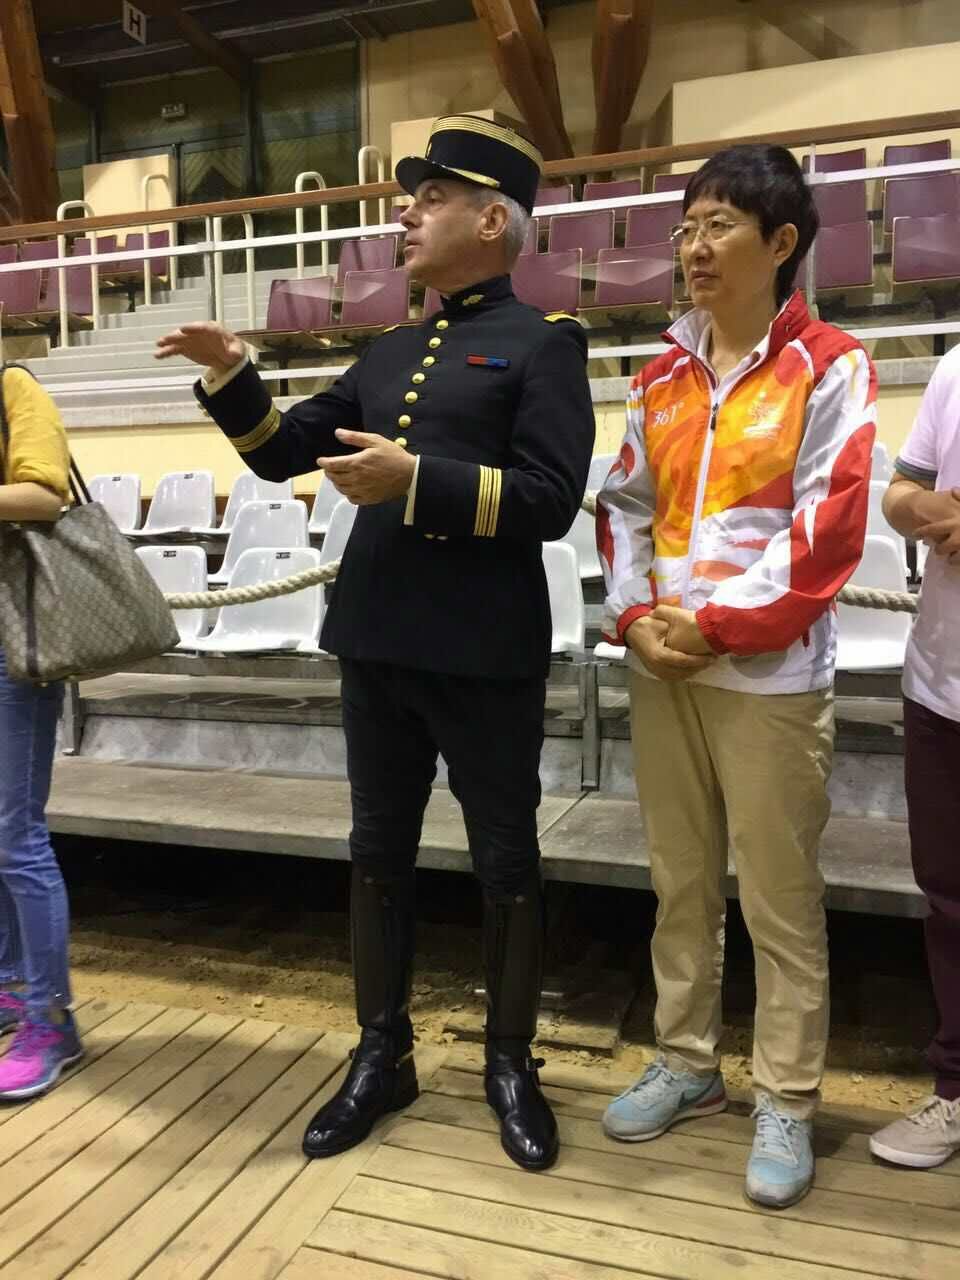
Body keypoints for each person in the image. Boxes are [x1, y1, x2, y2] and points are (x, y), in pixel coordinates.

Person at [156, 116, 595, 1172]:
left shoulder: (545, 343)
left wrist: (418, 481)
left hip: (484, 649)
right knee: (377, 854)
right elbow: (281, 455)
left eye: (430, 197)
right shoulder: (390, 350)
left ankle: (509, 1062)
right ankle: (380, 1053)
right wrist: (233, 374)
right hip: (379, 636)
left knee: (506, 861)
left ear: (490, 221)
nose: (404, 213)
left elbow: (550, 498)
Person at [597, 144, 876, 1208]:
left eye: (719, 225)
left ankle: (788, 1096)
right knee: (679, 881)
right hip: (664, 668)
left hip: (769, 679)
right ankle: (687, 1060)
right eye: (687, 227)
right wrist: (637, 620)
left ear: (782, 241)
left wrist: (712, 626)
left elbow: (827, 527)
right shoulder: (660, 375)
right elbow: (623, 506)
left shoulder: (831, 366)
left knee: (779, 898)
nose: (694, 247)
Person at [869, 349, 960, 1169]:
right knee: (950, 902)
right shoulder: (956, 368)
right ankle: (956, 1090)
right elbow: (899, 492)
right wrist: (922, 508)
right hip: (942, 684)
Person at [0, 365, 84, 1100]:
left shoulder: (12, 387)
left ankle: (52, 1021)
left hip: (14, 640)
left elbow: (43, 495)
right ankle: (9, 989)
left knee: (15, 835)